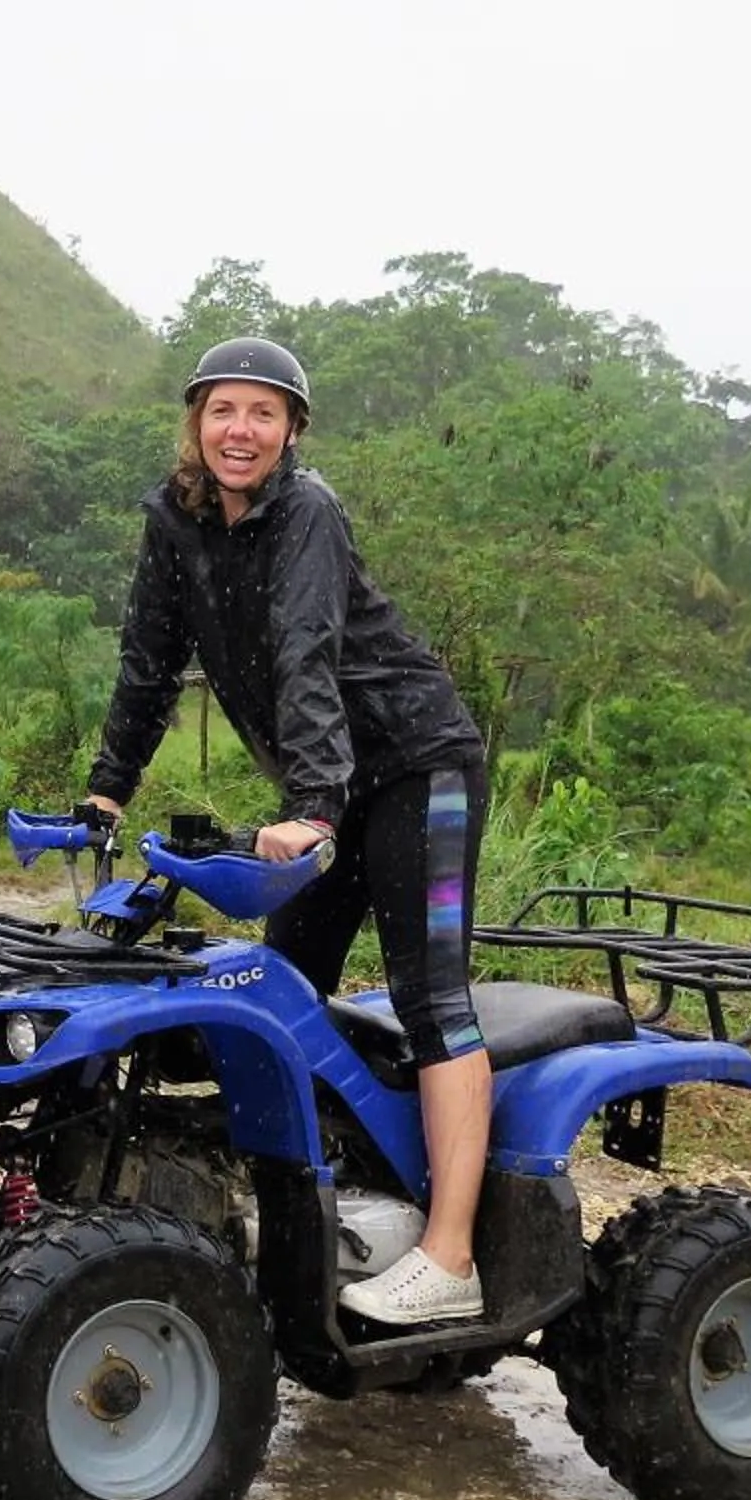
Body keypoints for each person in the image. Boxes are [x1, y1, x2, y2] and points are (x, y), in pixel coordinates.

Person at [82, 336, 493, 1326]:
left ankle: (450, 1256)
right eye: (224, 410)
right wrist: (103, 795)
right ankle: (328, 1220)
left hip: (415, 767)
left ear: (291, 432)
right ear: (196, 422)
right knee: (284, 993)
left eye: (264, 414)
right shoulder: (175, 523)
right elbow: (148, 665)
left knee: (429, 993)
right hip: (332, 784)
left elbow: (308, 651)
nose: (241, 430)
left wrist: (310, 809)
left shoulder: (304, 511)